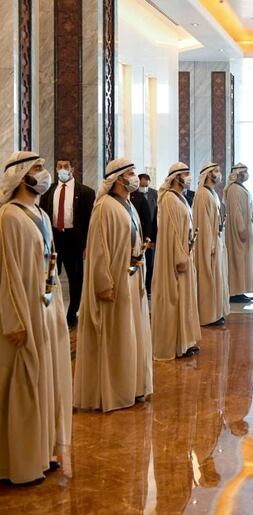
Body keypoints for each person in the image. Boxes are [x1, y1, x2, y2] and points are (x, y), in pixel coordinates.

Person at [0, 151, 71, 484]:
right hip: (22, 318)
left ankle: (42, 453)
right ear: (21, 175)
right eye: (38, 169)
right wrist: (14, 320)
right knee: (23, 387)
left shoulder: (40, 213)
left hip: (44, 309)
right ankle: (18, 463)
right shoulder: (9, 217)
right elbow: (6, 274)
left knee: (45, 382)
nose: (45, 174)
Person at [73, 158, 153, 412]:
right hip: (115, 283)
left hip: (131, 278)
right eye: (130, 173)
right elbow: (98, 250)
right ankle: (114, 392)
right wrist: (104, 284)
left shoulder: (127, 204)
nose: (134, 178)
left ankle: (133, 385)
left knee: (131, 335)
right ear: (118, 178)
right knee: (116, 337)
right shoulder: (104, 206)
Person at [151, 162, 202, 360]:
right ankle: (175, 344)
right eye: (186, 174)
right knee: (176, 298)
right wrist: (181, 257)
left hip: (185, 254)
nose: (189, 177)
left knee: (185, 298)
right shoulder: (170, 199)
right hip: (176, 258)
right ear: (177, 177)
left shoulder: (180, 198)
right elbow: (172, 231)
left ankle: (186, 340)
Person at [39, 159, 95, 327]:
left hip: (74, 239)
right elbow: (43, 216)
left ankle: (72, 314)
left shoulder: (85, 192)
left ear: (72, 169)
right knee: (48, 276)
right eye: (59, 166)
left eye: (65, 167)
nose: (62, 169)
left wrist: (86, 244)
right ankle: (49, 311)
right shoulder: (49, 190)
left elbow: (89, 221)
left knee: (76, 278)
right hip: (55, 238)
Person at [193, 162, 230, 326]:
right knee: (208, 278)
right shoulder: (202, 195)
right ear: (208, 174)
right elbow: (204, 224)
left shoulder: (212, 193)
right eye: (215, 171)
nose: (218, 173)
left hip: (216, 241)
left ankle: (216, 312)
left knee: (217, 278)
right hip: (209, 245)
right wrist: (210, 246)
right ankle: (208, 315)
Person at [225, 163, 253, 303]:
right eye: (244, 172)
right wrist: (241, 229)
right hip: (239, 233)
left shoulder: (240, 188)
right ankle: (235, 292)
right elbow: (236, 212)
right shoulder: (233, 189)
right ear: (237, 174)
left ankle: (241, 289)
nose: (246, 174)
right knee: (238, 260)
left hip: (246, 229)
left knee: (245, 261)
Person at [131, 173, 157, 295]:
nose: (144, 188)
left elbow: (150, 219)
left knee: (149, 262)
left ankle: (147, 287)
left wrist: (150, 238)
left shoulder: (152, 194)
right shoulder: (134, 196)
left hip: (146, 236)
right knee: (134, 263)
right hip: (133, 237)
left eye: (146, 185)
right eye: (142, 185)